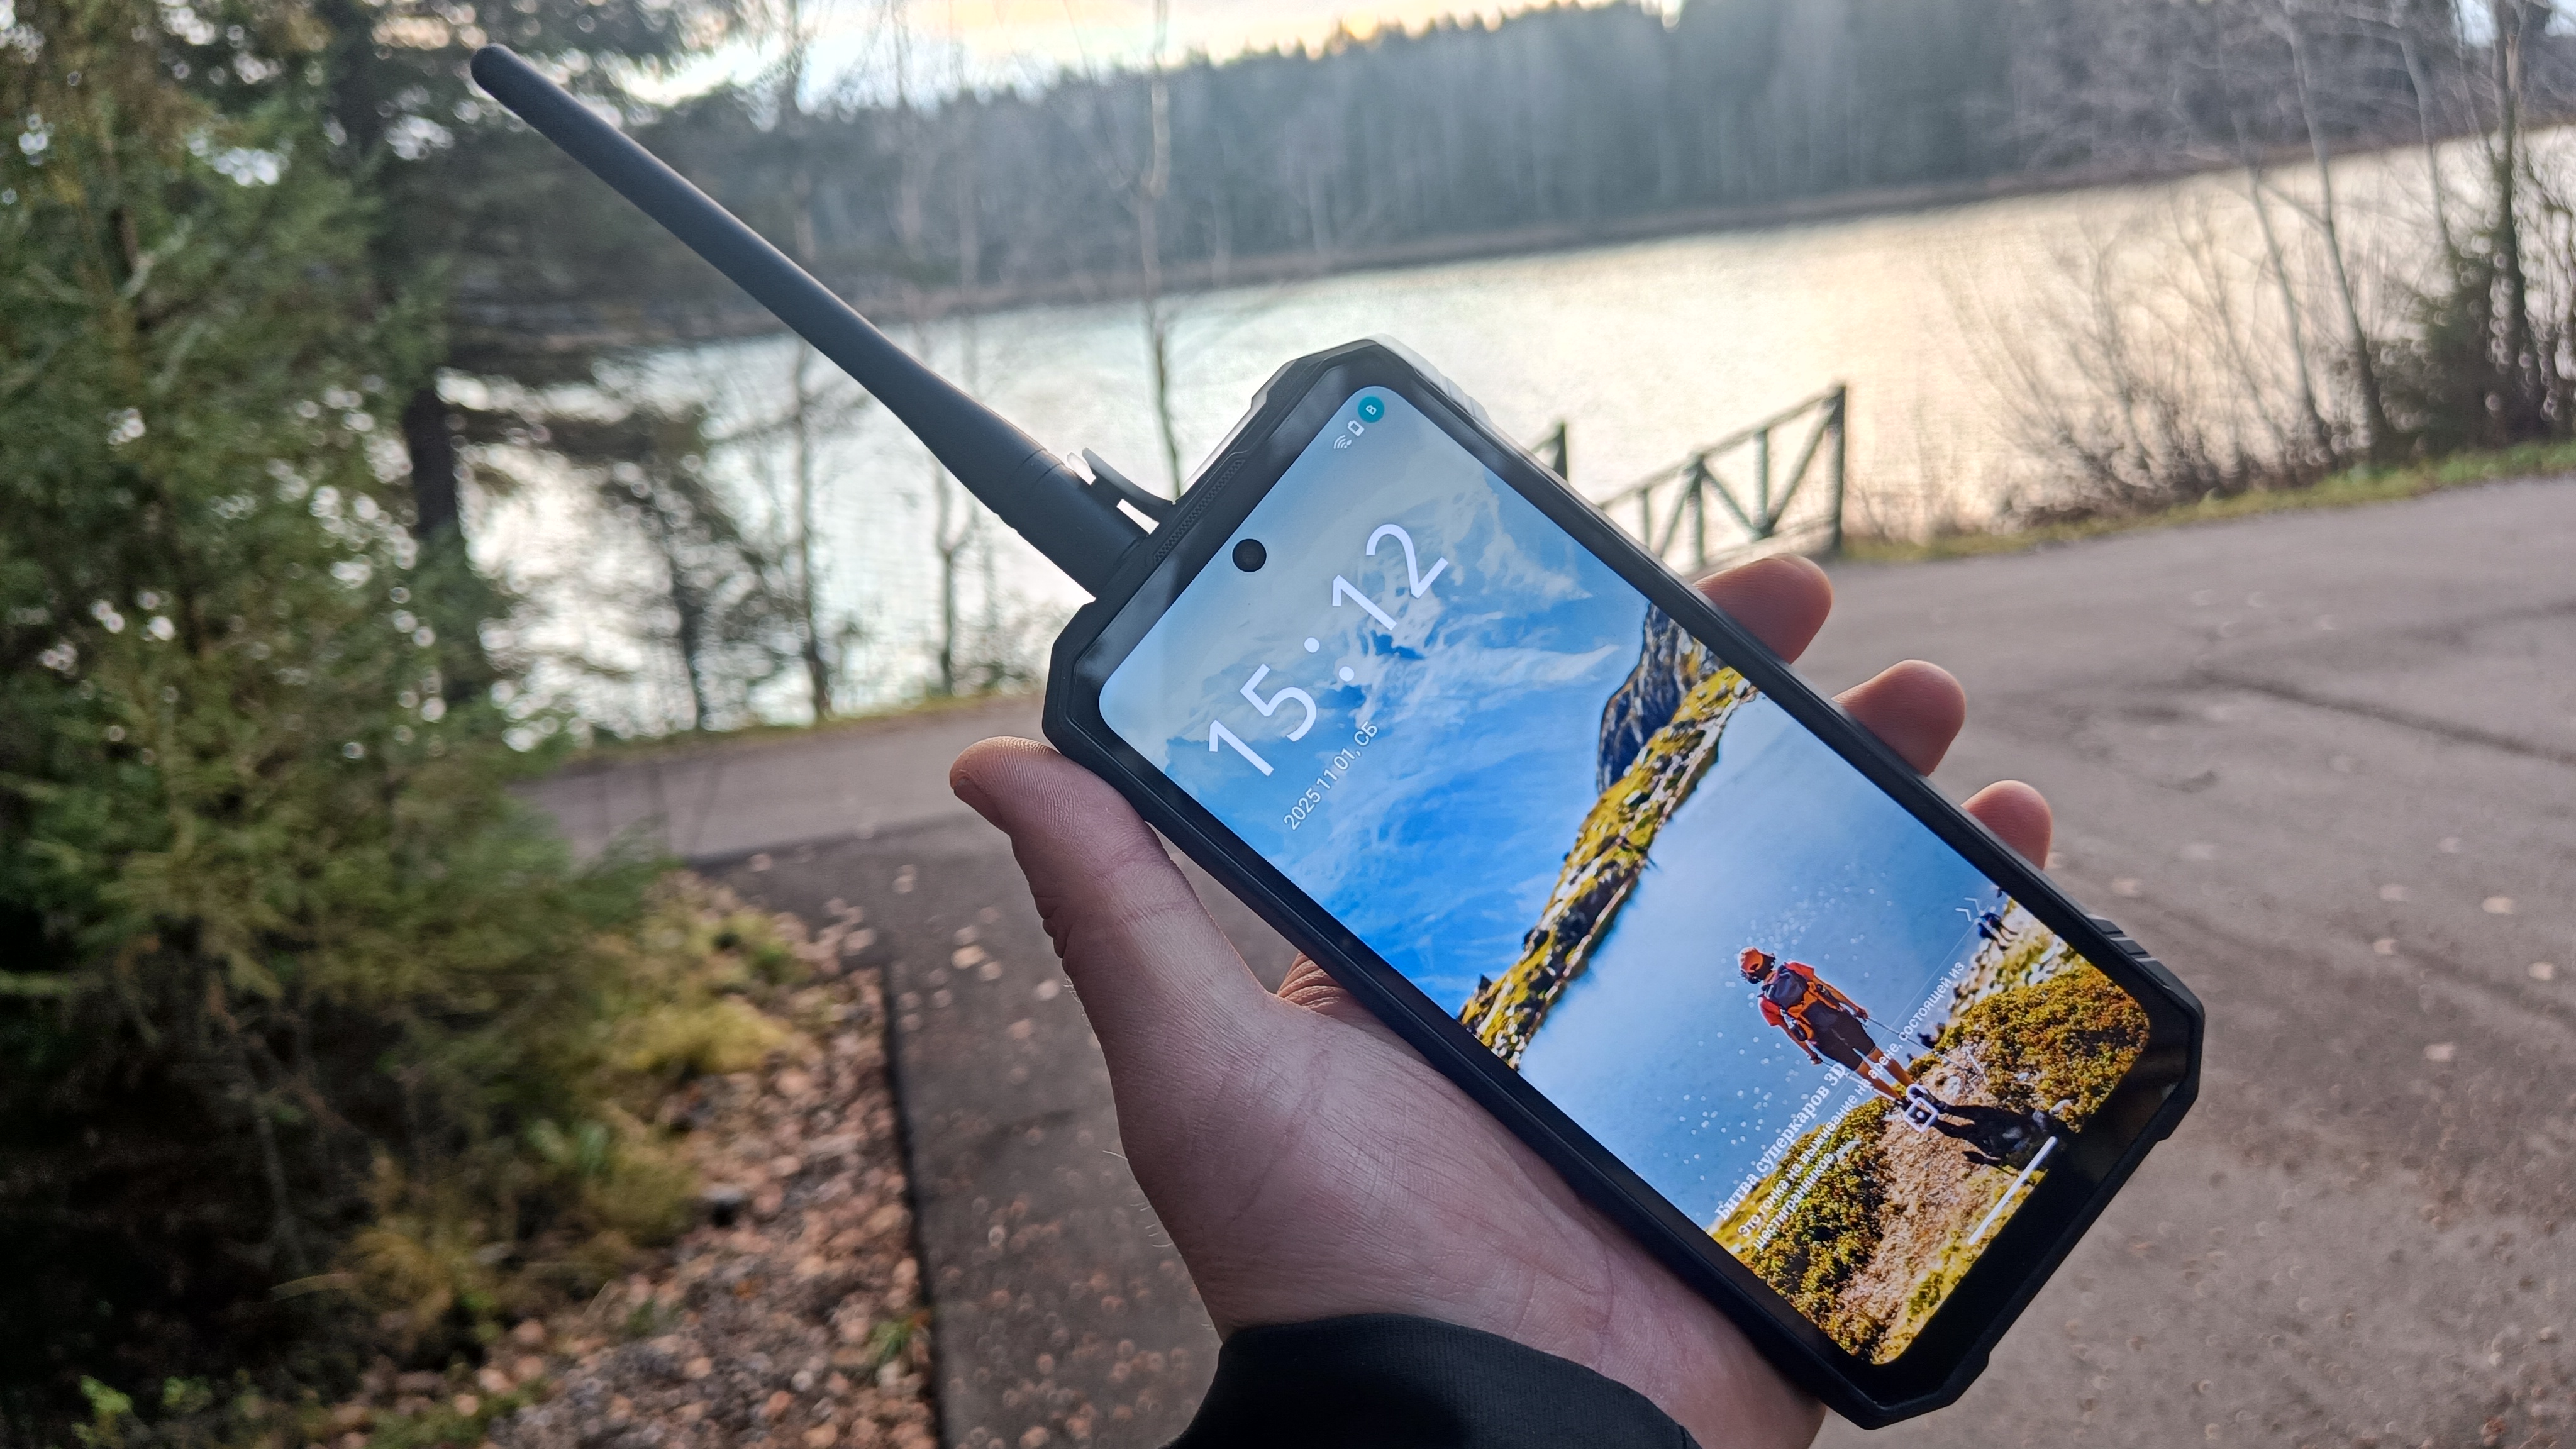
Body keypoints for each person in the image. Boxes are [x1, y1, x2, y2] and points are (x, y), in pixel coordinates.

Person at [948, 555, 2057, 1448]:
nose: (1761, 973)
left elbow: (1798, 1025)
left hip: (1826, 1067)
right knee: (1889, 1034)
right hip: (1837, 1049)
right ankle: (1929, 1098)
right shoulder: (1792, 984)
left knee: (1877, 1068)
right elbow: (1810, 1008)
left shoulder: (1781, 992)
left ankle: (1918, 1101)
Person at [1738, 947, 1925, 1106]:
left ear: (1750, 975)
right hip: (1840, 1019)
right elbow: (1827, 988)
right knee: (1878, 1056)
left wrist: (1810, 1054)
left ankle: (1903, 1103)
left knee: (1866, 1073)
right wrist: (1854, 1007)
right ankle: (1915, 1090)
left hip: (1821, 1040)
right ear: (1765, 958)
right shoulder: (1792, 968)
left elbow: (1790, 1032)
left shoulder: (1765, 1002)